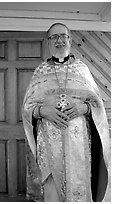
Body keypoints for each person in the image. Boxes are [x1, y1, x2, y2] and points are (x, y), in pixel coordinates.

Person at [22, 23, 110, 202]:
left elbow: (97, 104)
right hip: (48, 145)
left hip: (80, 147)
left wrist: (83, 108)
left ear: (70, 40)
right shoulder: (40, 71)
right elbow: (27, 108)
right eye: (54, 37)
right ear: (48, 43)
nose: (59, 40)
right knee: (53, 193)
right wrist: (42, 111)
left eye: (63, 36)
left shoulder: (81, 69)